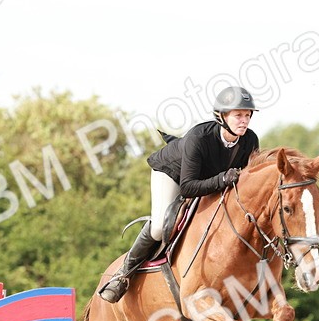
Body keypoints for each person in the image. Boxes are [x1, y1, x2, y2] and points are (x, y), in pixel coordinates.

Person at [98, 86, 260, 303]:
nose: (244, 120)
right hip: (174, 174)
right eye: (238, 115)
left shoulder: (250, 140)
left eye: (247, 115)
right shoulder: (199, 137)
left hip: (208, 179)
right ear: (222, 116)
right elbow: (188, 187)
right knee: (159, 226)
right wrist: (222, 179)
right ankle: (123, 275)